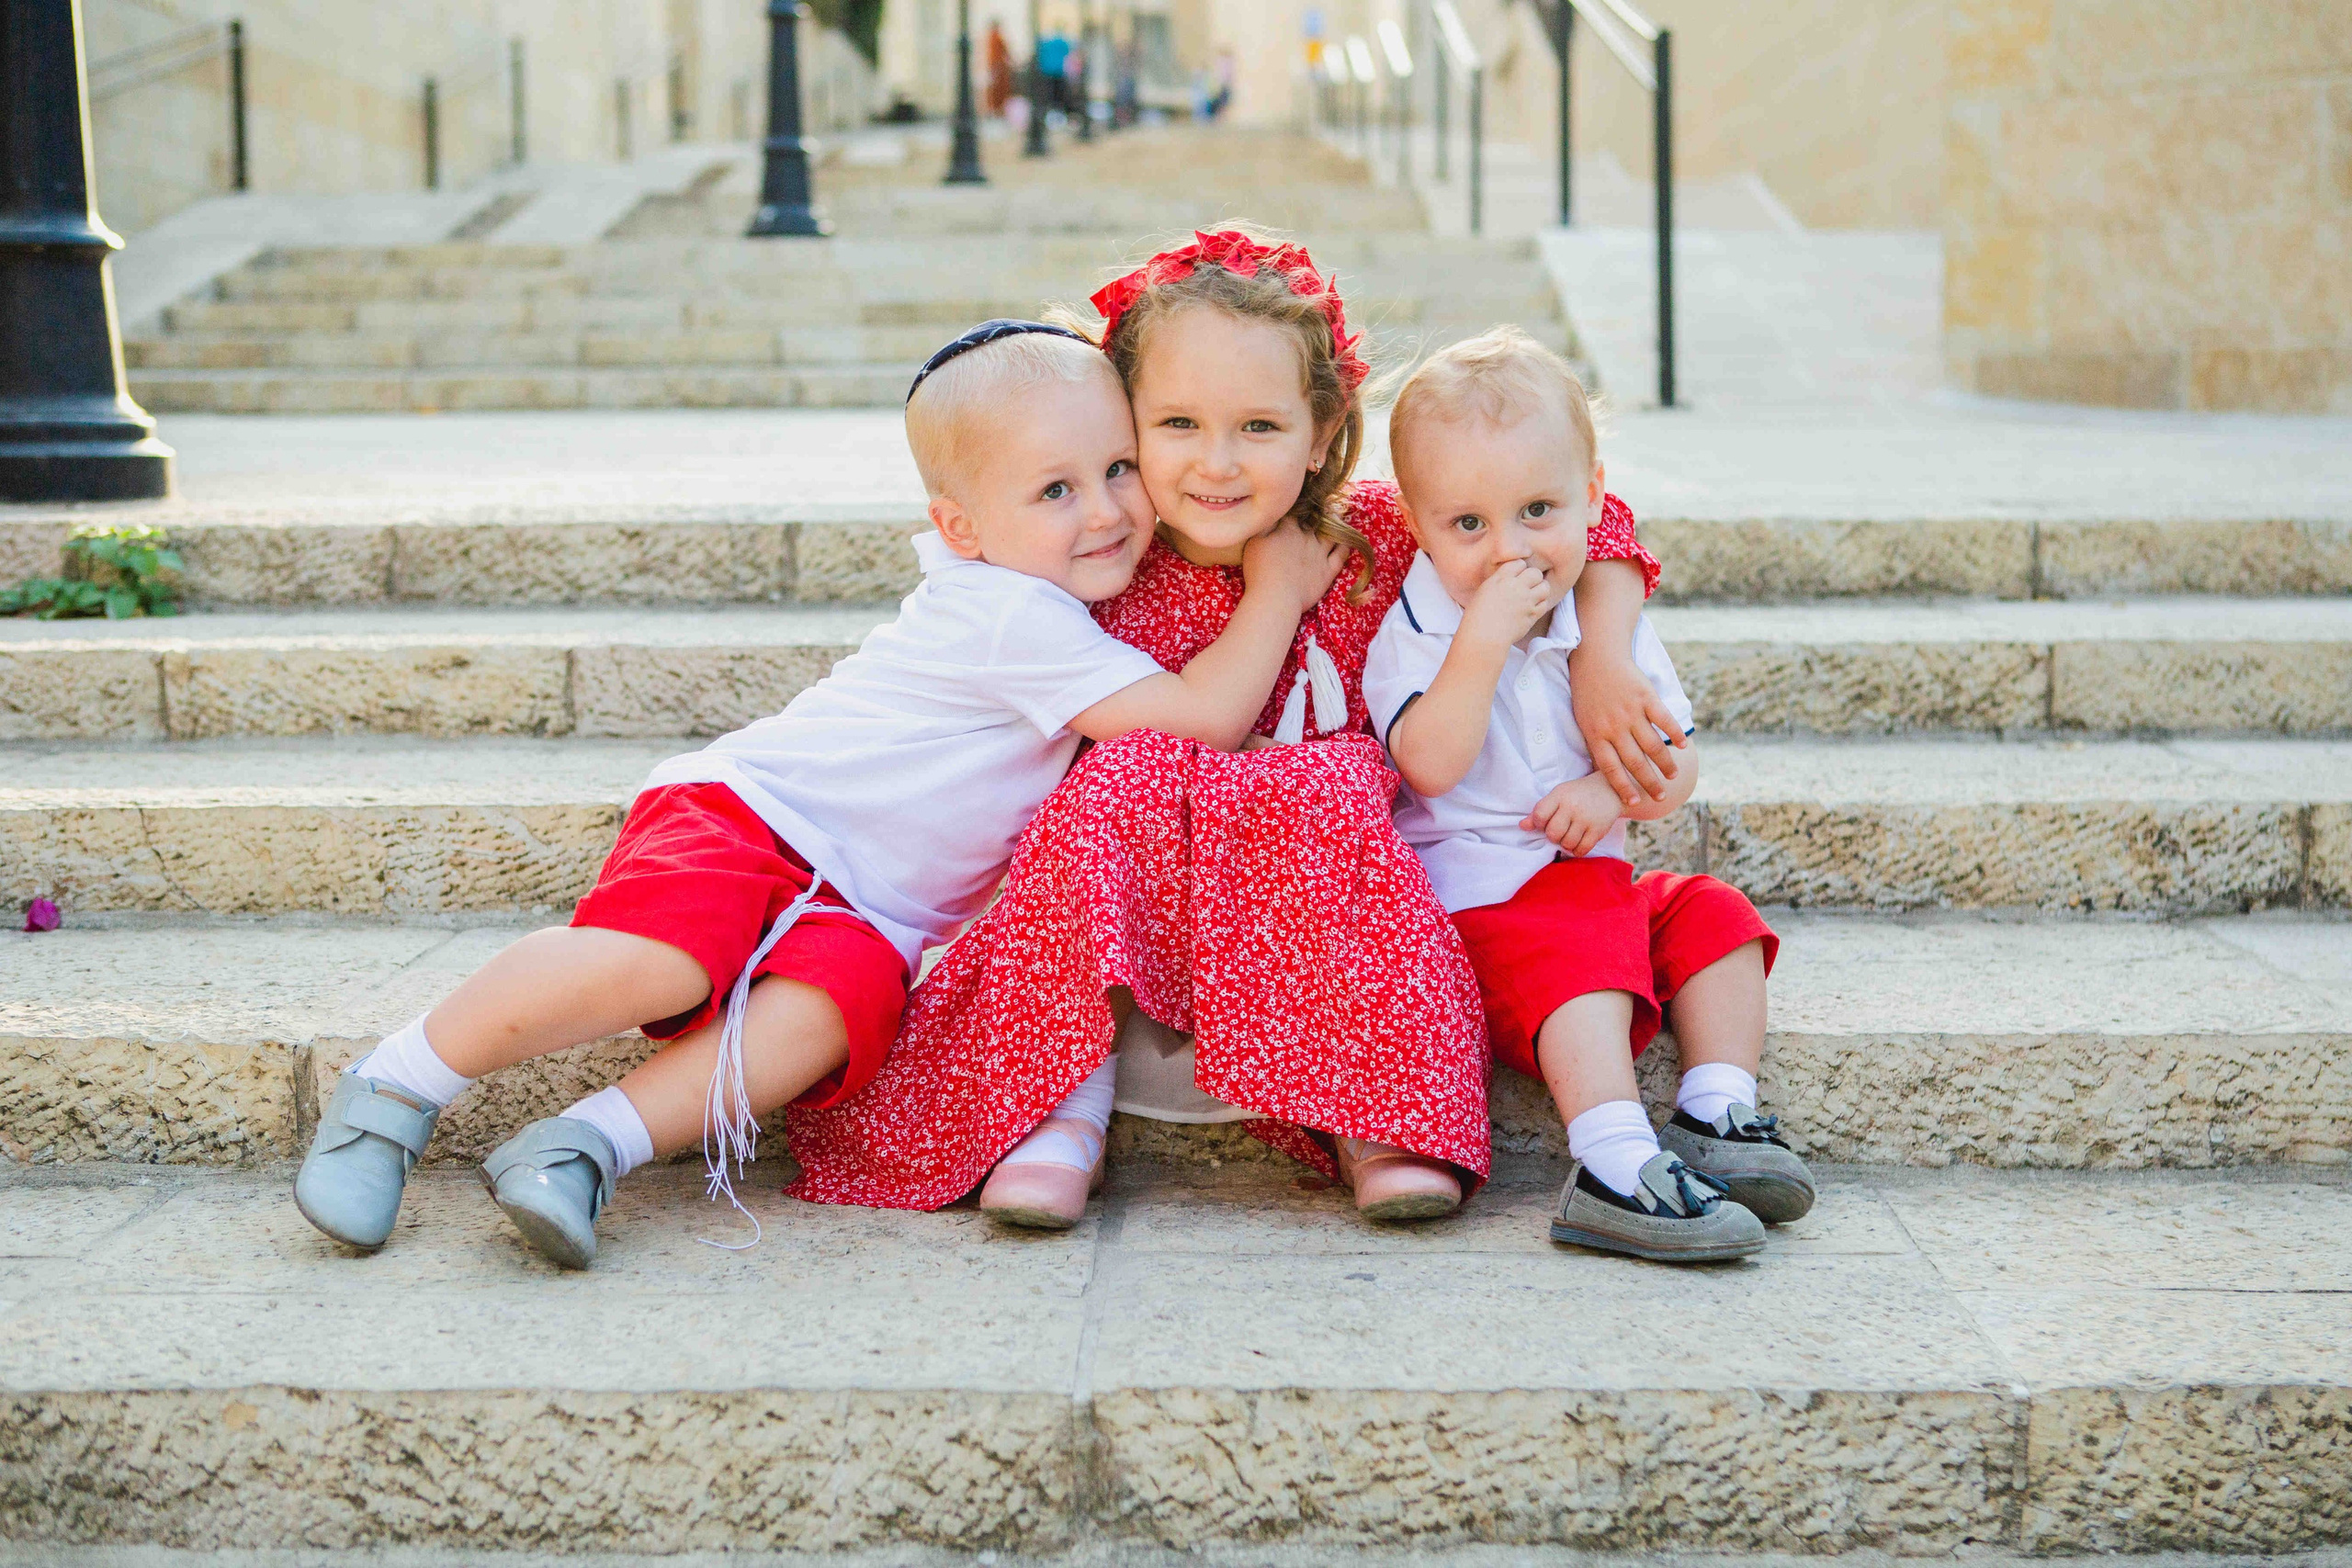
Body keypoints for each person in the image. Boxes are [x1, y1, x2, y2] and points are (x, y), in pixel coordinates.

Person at [290, 321, 1340, 1268]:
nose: (1109, 510)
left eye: (1118, 468)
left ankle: (582, 1147)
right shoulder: (1010, 615)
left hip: (870, 906)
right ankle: (396, 1086)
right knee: (662, 964)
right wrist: (1279, 589)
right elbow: (1202, 715)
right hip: (756, 821)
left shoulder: (1049, 595)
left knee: (820, 1020)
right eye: (1055, 490)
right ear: (961, 528)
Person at [783, 230, 1675, 1229]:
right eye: (1175, 423)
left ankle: (1372, 1109)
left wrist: (1601, 647)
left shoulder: (1376, 529)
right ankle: (1056, 1102)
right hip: (1139, 903)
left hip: (1334, 900)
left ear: (1324, 423)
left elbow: (1582, 509)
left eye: (1258, 426)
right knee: (1124, 776)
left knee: (1323, 785)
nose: (1216, 464)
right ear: (1124, 418)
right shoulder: (1099, 553)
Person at [1365, 326, 1812, 1264]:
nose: (1508, 552)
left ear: (1592, 498)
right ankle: (1610, 1163)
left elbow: (1674, 765)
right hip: (1480, 912)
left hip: (1590, 883)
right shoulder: (1417, 627)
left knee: (1711, 914)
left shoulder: (1598, 625)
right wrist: (1480, 643)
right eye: (1467, 525)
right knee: (1578, 924)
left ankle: (1714, 1114)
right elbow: (1429, 763)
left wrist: (1613, 791)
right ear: (1415, 523)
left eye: (1537, 511)